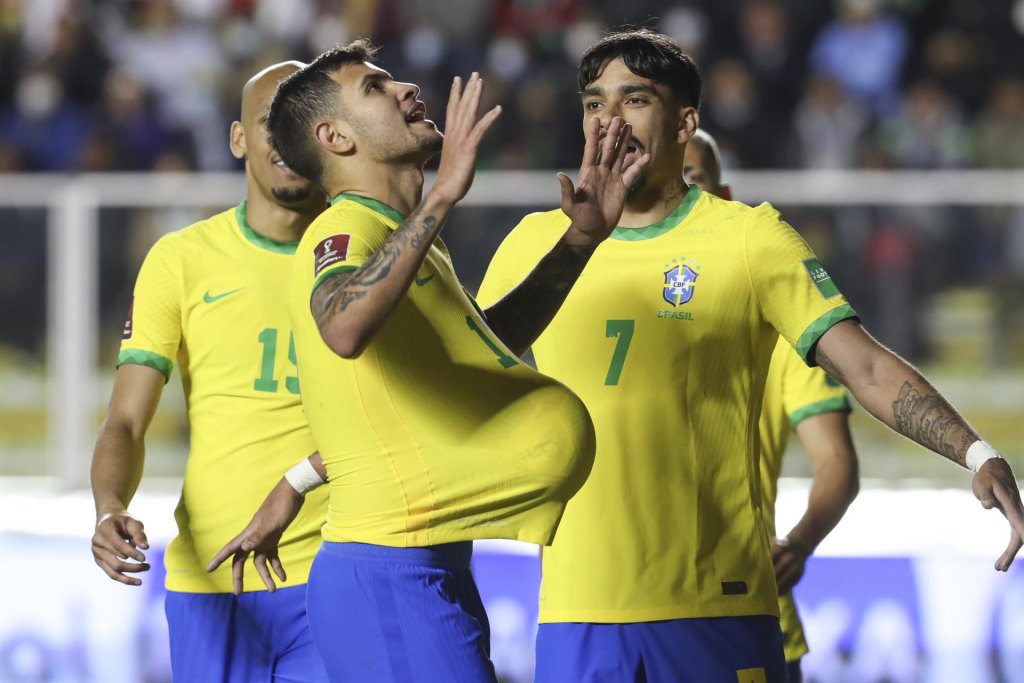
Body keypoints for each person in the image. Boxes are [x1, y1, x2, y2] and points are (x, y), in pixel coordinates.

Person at [476, 29, 1024, 683]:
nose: (609, 121)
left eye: (635, 100)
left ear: (686, 123)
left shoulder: (749, 238)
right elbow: (465, 375)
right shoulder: (534, 242)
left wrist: (975, 452)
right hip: (574, 611)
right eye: (595, 103)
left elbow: (867, 366)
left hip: (717, 605)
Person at [209, 39, 648, 681]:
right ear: (334, 137)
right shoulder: (344, 230)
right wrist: (442, 196)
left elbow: (482, 350)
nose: (406, 89)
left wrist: (580, 241)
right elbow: (342, 325)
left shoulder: (407, 241)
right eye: (375, 86)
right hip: (388, 573)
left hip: (425, 561)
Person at [89, 61, 332, 682]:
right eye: (271, 123)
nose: (287, 139)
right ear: (238, 139)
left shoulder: (373, 255)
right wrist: (109, 505)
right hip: (212, 580)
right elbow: (126, 421)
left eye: (305, 122)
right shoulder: (180, 259)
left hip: (336, 573)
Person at [684, 128, 860, 683]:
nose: (673, 189)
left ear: (723, 193)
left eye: (690, 177)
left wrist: (799, 543)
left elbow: (836, 461)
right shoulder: (603, 296)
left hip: (746, 605)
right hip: (617, 606)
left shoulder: (780, 324)